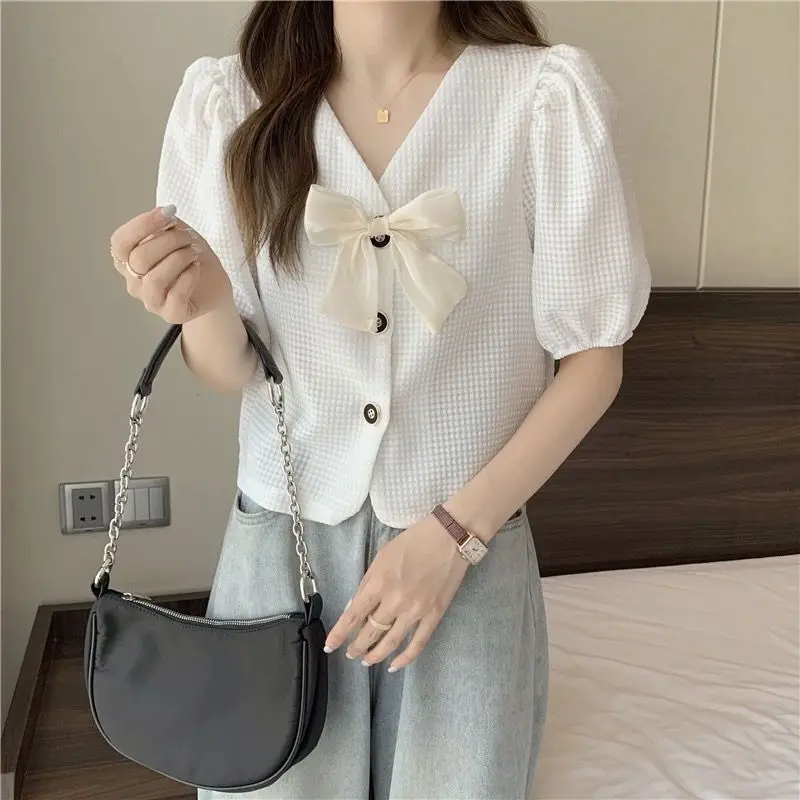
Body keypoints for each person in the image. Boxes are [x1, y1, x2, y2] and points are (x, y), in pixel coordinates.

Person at [108, 2, 650, 798]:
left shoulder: (543, 100)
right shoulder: (230, 103)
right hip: (280, 554)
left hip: (465, 554)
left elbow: (595, 362)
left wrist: (456, 536)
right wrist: (203, 302)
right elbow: (230, 370)